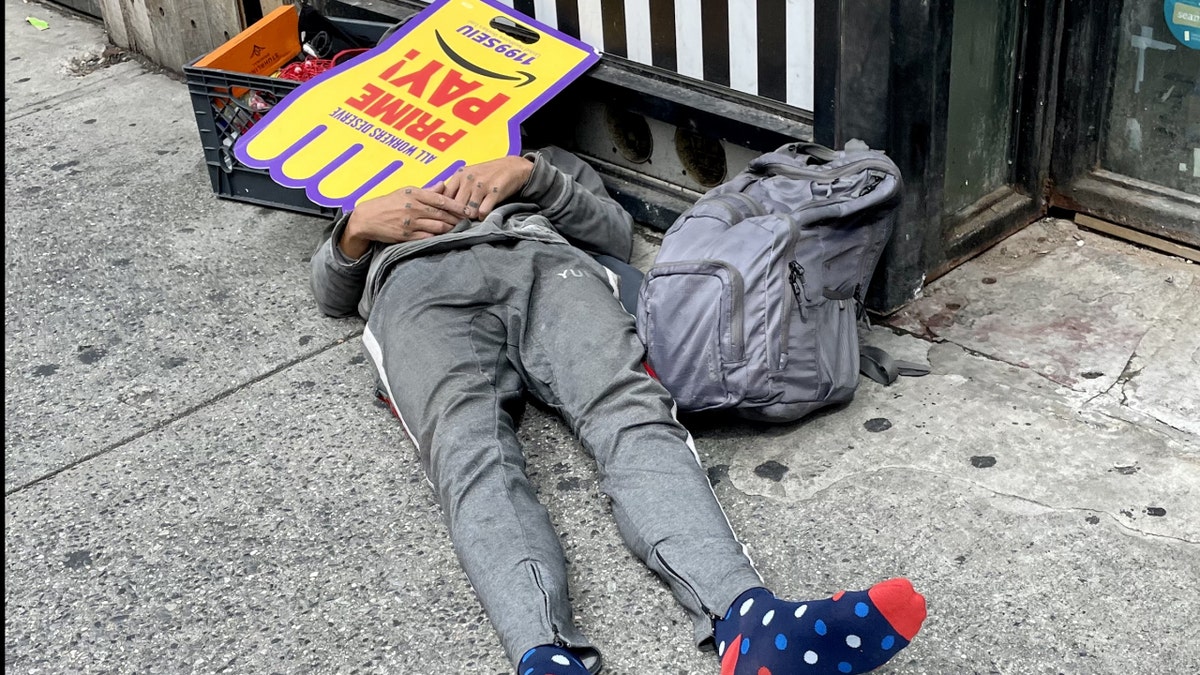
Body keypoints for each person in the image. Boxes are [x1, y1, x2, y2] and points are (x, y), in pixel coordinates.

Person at [309, 146, 927, 675]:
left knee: (634, 413)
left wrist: (528, 175)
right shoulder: (359, 170)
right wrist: (355, 229)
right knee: (468, 451)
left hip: (545, 265)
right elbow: (331, 293)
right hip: (415, 289)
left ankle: (748, 619)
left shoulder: (530, 150)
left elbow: (612, 232)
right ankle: (543, 653)